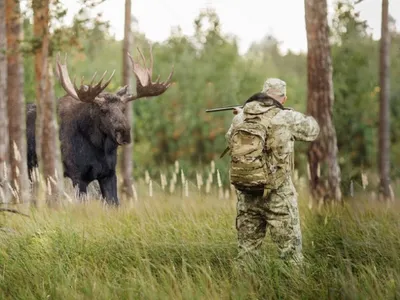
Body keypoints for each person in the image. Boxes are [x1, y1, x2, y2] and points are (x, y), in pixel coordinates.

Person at [225, 78, 320, 265]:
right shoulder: (285, 117)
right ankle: (293, 291)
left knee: (247, 255)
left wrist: (242, 114)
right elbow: (313, 131)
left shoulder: (240, 117)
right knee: (291, 255)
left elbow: (230, 140)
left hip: (247, 194)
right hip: (278, 194)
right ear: (283, 99)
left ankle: (245, 290)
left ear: (263, 93)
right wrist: (293, 115)